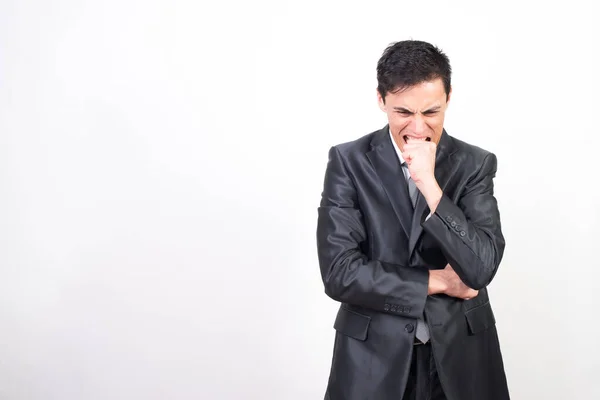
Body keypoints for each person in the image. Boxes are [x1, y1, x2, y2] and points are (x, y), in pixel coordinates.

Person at [316, 40, 510, 400]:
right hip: (373, 358)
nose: (418, 128)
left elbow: (481, 268)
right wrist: (437, 280)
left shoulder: (475, 164)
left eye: (431, 112)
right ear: (381, 100)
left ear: (449, 97)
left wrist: (431, 187)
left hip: (460, 357)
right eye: (403, 112)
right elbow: (340, 273)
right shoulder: (348, 162)